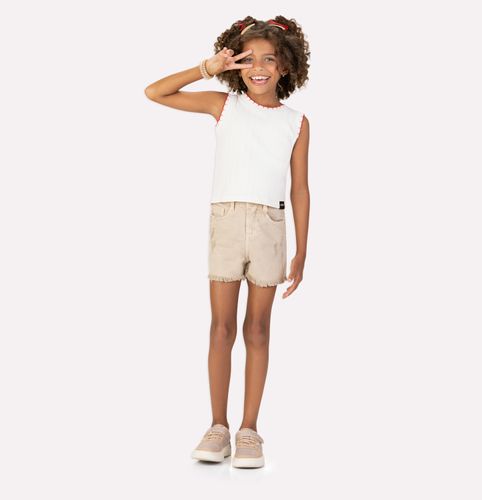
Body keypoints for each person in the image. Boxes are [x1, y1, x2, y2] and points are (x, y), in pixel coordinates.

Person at [145, 15, 310, 468]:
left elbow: (299, 189)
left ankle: (249, 429)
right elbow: (155, 92)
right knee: (221, 327)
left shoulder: (296, 122)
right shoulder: (224, 106)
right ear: (235, 63)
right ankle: (217, 427)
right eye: (248, 59)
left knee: (258, 329)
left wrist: (302, 249)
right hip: (227, 222)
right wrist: (208, 67)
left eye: (269, 60)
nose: (258, 68)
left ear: (285, 65)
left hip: (270, 227)